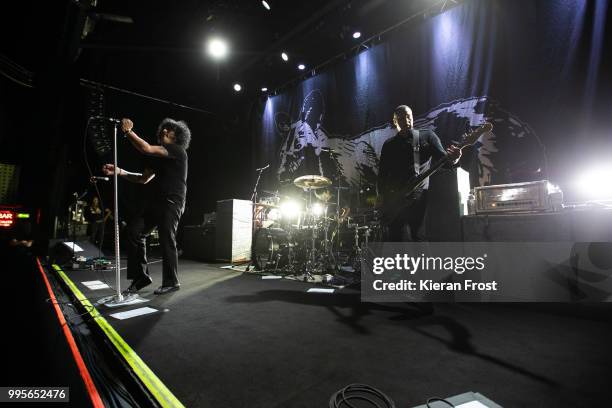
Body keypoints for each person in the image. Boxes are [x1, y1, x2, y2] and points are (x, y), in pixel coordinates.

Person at [102, 118, 190, 295]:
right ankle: (141, 277)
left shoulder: (177, 150)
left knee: (167, 238)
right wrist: (119, 171)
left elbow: (145, 148)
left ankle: (171, 281)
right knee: (134, 232)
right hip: (156, 202)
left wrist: (128, 132)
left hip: (172, 201)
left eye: (170, 129)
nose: (165, 130)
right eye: (164, 128)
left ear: (176, 136)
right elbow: (142, 179)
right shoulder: (157, 158)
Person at [378, 105, 461, 241]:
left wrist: (455, 158)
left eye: (408, 117)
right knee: (395, 239)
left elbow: (445, 161)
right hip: (394, 200)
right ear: (394, 121)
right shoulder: (389, 145)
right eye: (401, 118)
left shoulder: (426, 136)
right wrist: (381, 197)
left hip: (419, 197)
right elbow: (382, 174)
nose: (406, 121)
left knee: (419, 237)